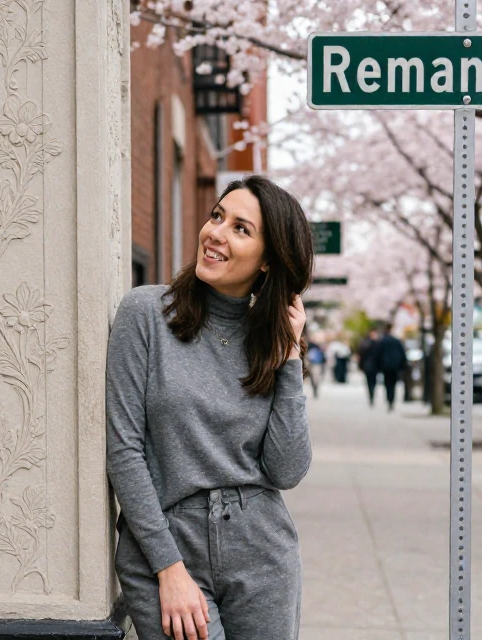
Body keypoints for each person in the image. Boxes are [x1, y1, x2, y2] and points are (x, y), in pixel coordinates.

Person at [106, 175, 314, 640]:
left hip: (260, 547)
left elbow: (286, 471)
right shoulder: (146, 314)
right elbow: (124, 450)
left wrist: (290, 358)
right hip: (168, 539)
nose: (216, 232)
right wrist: (168, 568)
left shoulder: (269, 342)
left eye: (241, 228)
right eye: (217, 216)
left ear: (267, 261)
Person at [376, 323, 408, 412]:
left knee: (387, 383)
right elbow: (402, 353)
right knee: (393, 383)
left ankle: (389, 399)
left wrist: (378, 366)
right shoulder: (396, 341)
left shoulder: (382, 341)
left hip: (386, 366)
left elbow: (378, 354)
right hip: (395, 366)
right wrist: (403, 365)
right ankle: (391, 400)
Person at [356, 328, 380, 406]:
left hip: (371, 366)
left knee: (371, 381)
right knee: (371, 381)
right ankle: (371, 395)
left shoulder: (375, 343)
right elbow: (361, 356)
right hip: (370, 365)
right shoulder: (372, 343)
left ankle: (371, 395)